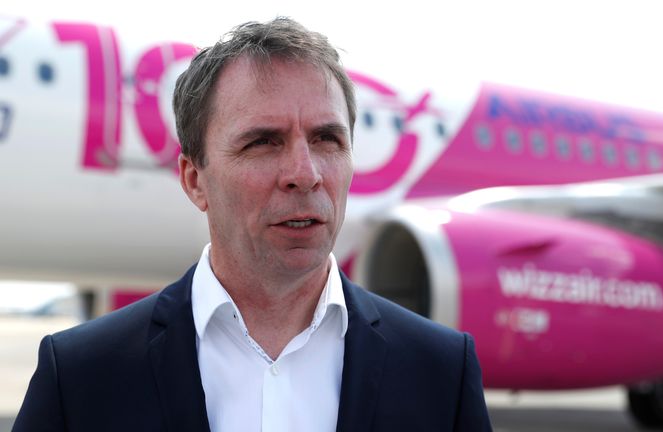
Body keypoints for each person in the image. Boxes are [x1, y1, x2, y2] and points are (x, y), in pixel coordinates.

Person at [13, 18, 491, 432]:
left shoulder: (442, 372)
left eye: (327, 139)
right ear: (194, 180)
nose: (305, 173)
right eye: (263, 142)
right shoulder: (78, 376)